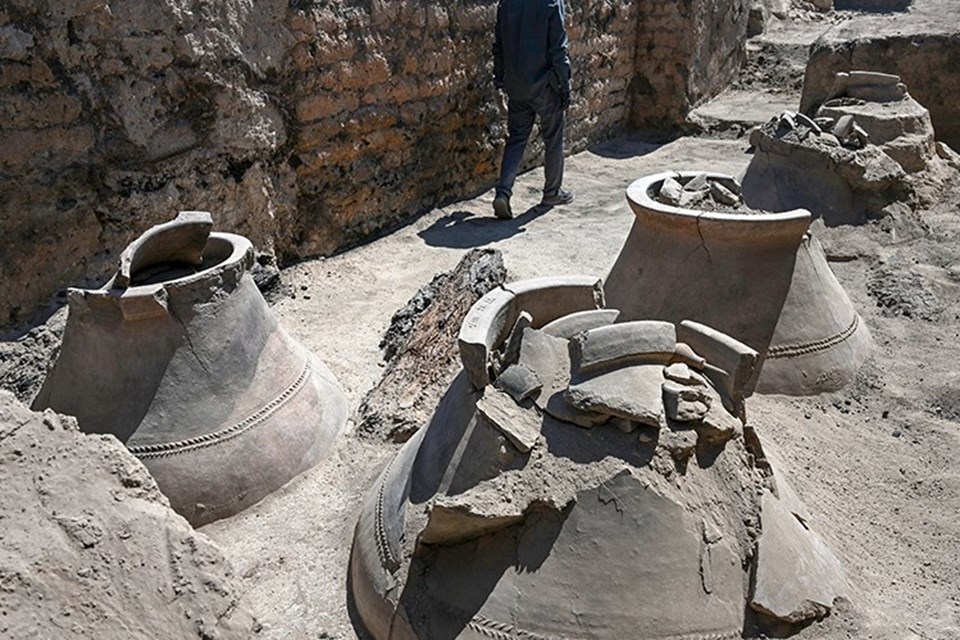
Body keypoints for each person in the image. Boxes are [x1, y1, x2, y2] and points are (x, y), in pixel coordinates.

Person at [492, 0, 574, 219]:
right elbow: (559, 48)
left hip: (516, 85)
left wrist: (500, 82)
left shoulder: (506, 4)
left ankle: (503, 192)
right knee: (553, 138)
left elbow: (499, 46)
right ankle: (552, 192)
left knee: (517, 138)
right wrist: (565, 88)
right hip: (545, 86)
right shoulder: (551, 3)